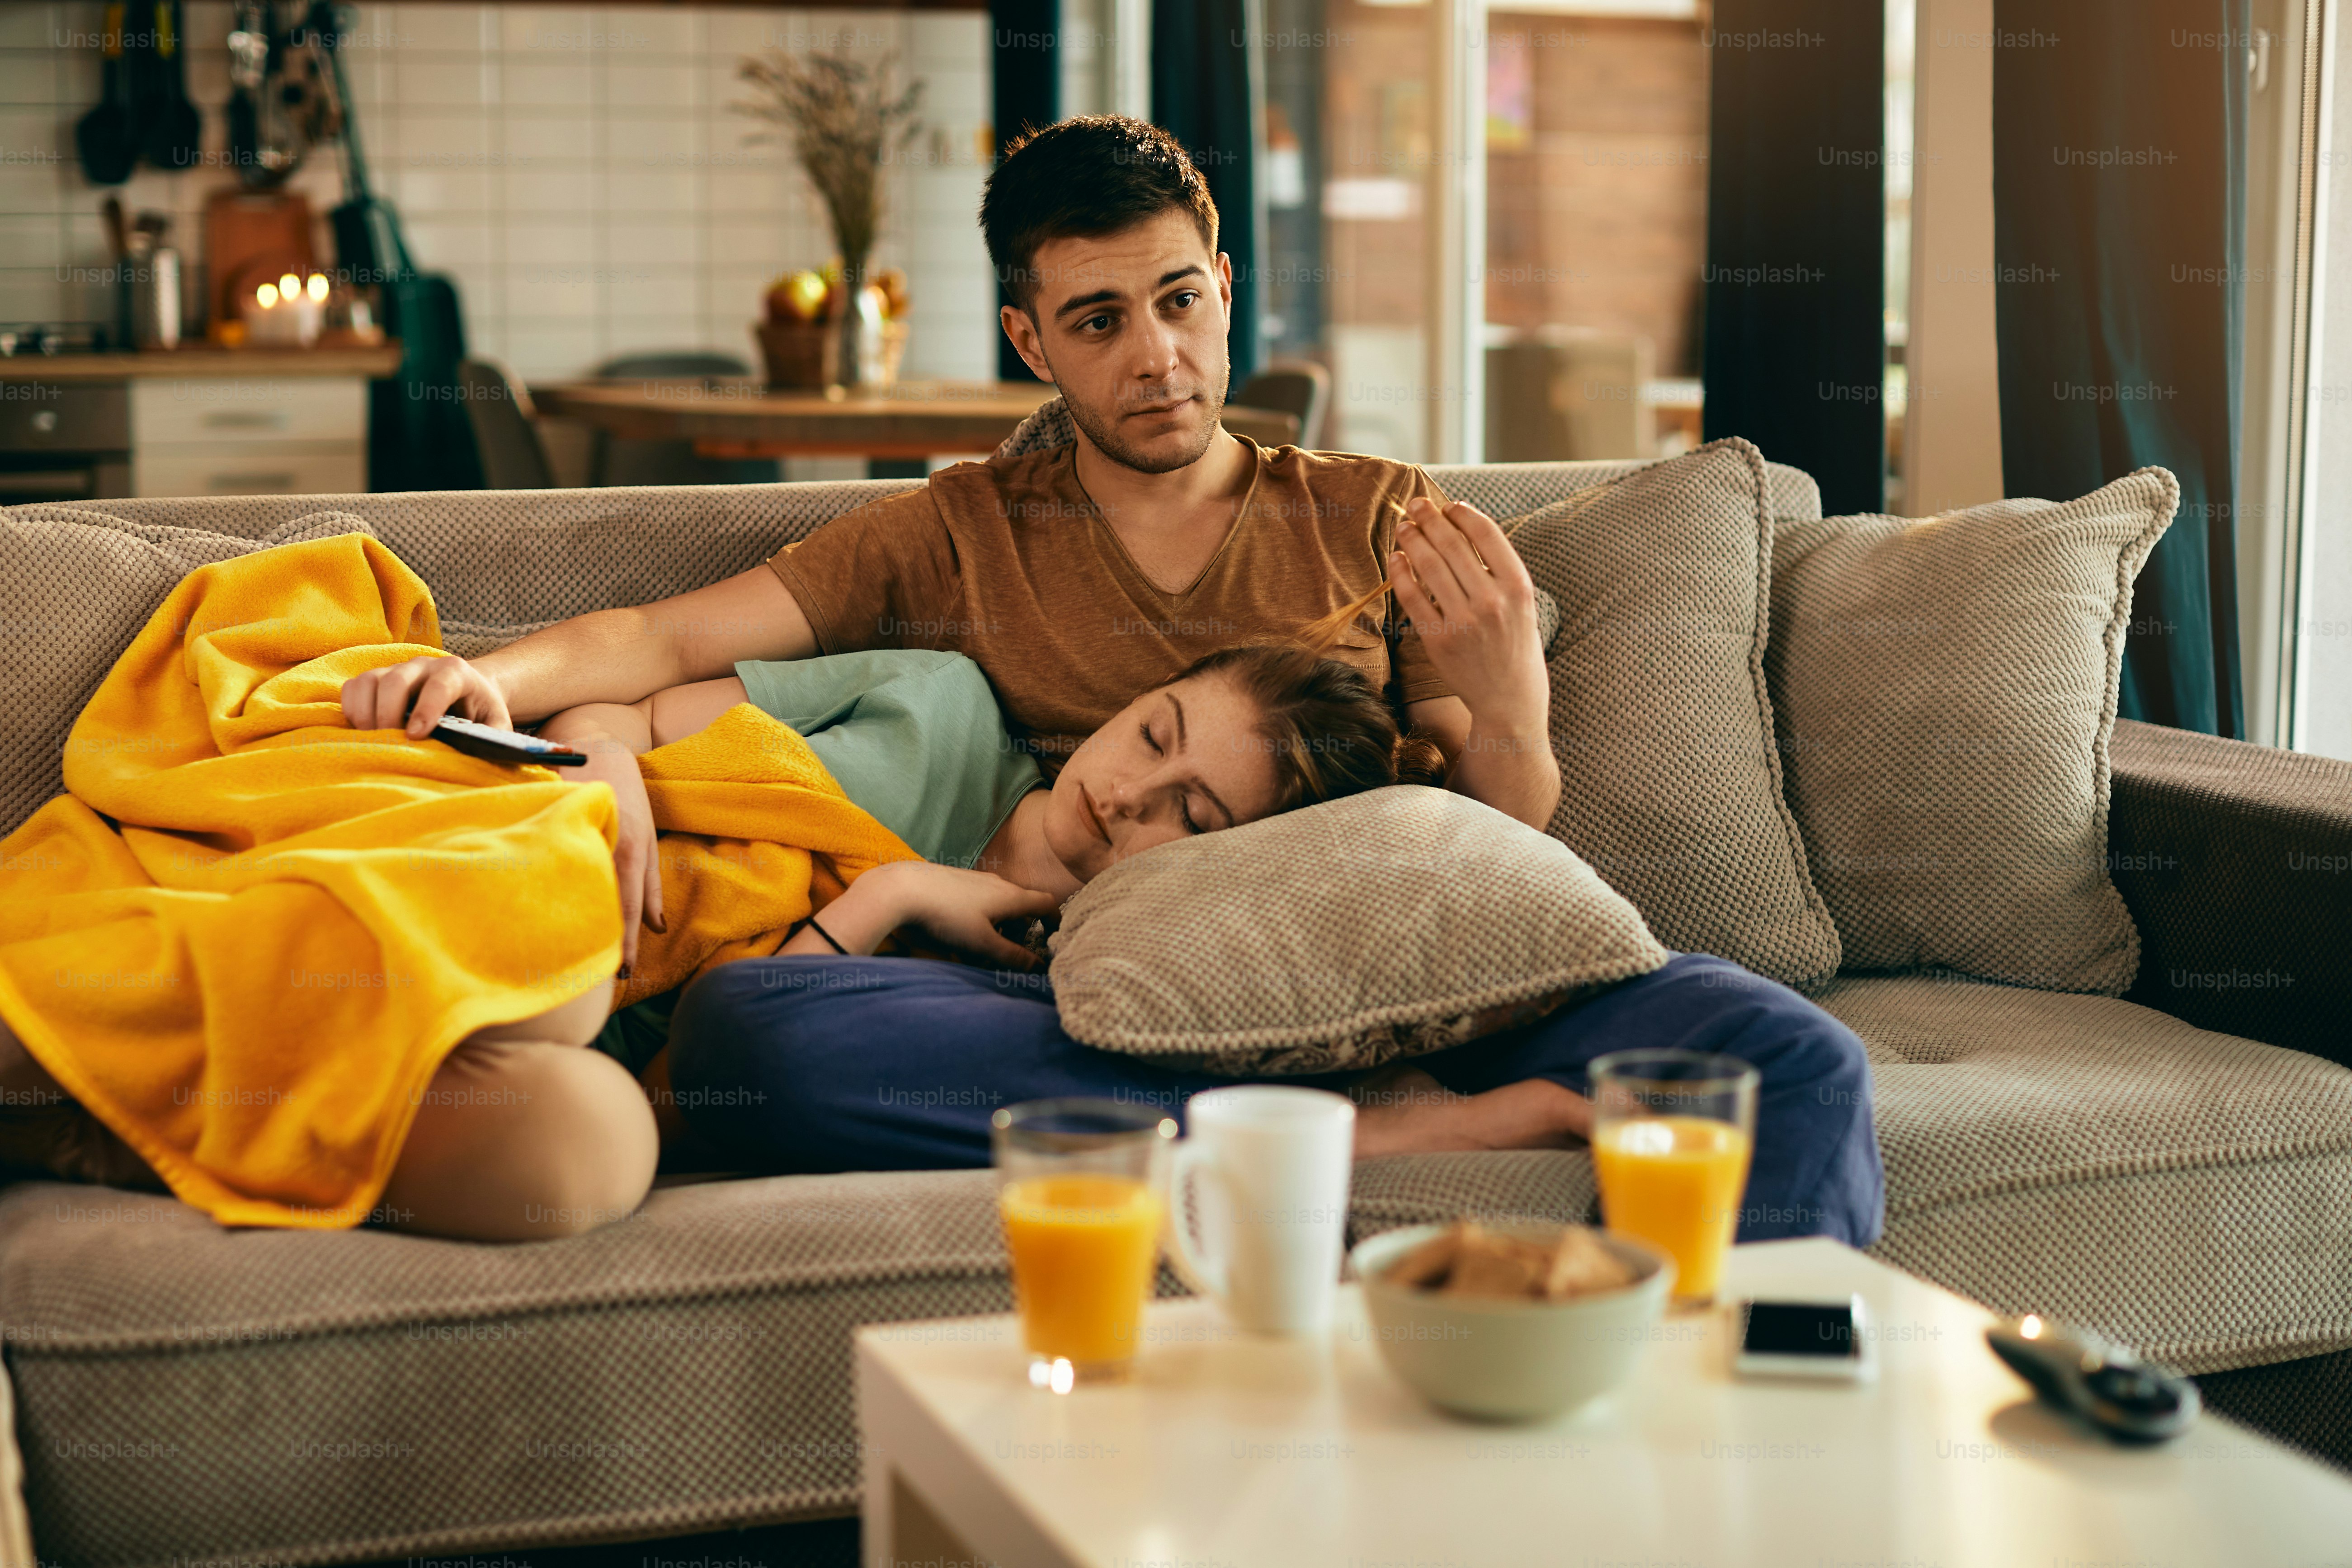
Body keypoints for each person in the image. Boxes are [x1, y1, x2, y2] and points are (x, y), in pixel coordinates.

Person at [337, 114, 1885, 1247]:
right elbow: (663, 639)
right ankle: (1372, 1136)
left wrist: (1513, 715)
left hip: (1393, 983)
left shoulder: (1374, 516)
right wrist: (484, 674)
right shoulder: (959, 532)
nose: (1153, 357)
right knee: (769, 1046)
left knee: (1788, 1056)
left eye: (1178, 302)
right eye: (1096, 320)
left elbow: (1496, 854)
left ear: (1222, 287)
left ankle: (1741, 1416)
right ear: (1031, 338)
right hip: (1085, 1000)